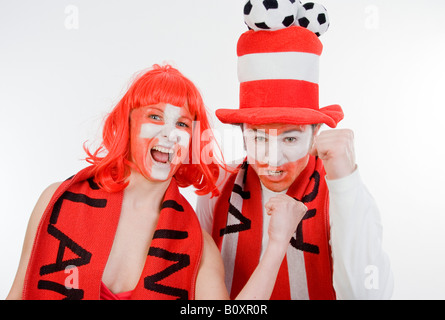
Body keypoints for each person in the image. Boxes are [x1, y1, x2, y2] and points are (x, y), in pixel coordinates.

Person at [6, 64, 306, 300]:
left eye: (182, 124)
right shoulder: (56, 202)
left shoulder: (198, 248)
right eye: (155, 116)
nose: (169, 134)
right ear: (128, 123)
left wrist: (277, 245)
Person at [196, 22, 394, 299]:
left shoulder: (340, 188)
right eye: (259, 138)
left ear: (316, 134)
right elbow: (198, 288)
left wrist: (345, 180)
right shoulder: (218, 187)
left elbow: (367, 294)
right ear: (241, 133)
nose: (272, 160)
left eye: (290, 139)